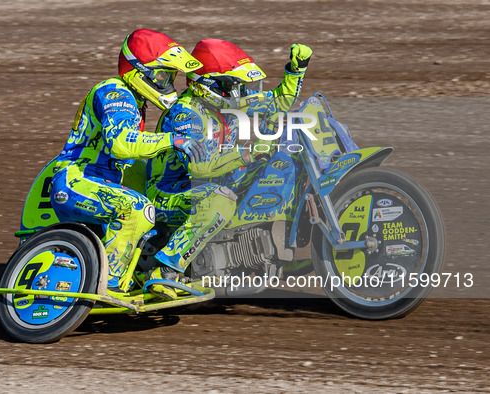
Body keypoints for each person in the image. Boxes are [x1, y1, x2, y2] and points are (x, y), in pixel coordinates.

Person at [145, 38, 312, 300]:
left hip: (213, 183)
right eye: (232, 86)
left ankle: (271, 253)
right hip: (171, 193)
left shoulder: (225, 104)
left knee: (282, 168)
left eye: (240, 86)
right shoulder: (185, 114)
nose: (240, 93)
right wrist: (246, 153)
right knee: (219, 201)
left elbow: (279, 102)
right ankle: (165, 270)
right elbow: (199, 165)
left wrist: (295, 71)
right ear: (208, 85)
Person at [49, 28, 202, 291]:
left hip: (100, 182)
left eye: (171, 77)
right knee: (135, 208)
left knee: (166, 202)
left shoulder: (135, 100)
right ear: (139, 71)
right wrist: (172, 140)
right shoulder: (115, 92)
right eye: (163, 75)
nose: (168, 83)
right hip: (76, 179)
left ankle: (147, 270)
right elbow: (121, 143)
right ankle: (107, 284)